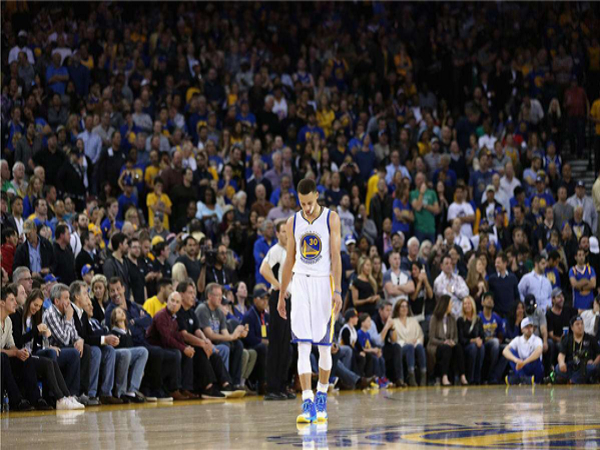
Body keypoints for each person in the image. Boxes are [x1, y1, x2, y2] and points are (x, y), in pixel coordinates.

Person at [277, 178, 343, 424]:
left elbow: (336, 256)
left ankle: (321, 395)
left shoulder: (331, 218)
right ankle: (307, 401)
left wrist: (338, 290)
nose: (306, 207)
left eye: (309, 202)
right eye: (302, 203)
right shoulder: (293, 221)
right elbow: (289, 259)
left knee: (324, 345)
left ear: (317, 195)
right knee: (302, 345)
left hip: (323, 282)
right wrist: (282, 293)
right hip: (300, 283)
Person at [10, 289, 83, 410]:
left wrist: (46, 340)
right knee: (49, 363)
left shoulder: (35, 318)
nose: (37, 308)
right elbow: (18, 341)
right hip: (19, 354)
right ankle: (59, 399)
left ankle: (68, 396)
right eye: (35, 305)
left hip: (31, 353)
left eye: (39, 306)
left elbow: (37, 344)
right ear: (29, 301)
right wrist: (36, 331)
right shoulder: (17, 316)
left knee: (52, 360)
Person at [175, 281, 240, 399]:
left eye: (194, 293)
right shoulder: (178, 311)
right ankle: (208, 388)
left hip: (194, 344)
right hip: (181, 345)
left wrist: (206, 341)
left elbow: (197, 330)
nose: (193, 296)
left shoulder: (191, 312)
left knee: (214, 354)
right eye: (190, 293)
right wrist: (202, 343)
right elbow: (184, 335)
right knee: (201, 351)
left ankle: (226, 385)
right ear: (181, 294)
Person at [259, 219, 295, 400]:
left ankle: (282, 385)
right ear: (277, 234)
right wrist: (280, 287)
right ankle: (272, 388)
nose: (286, 235)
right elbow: (263, 269)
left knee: (286, 345)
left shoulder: (293, 252)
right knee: (276, 344)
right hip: (278, 298)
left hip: (290, 300)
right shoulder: (275, 250)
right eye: (283, 231)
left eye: (288, 231)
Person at [69, 281, 122, 405]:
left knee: (109, 350)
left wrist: (106, 339)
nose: (88, 297)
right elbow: (81, 337)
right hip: (73, 345)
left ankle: (106, 393)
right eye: (85, 294)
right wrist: (104, 339)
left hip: (85, 344)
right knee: (96, 351)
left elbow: (90, 335)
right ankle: (90, 394)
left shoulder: (82, 313)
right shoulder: (71, 311)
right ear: (77, 297)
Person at [196, 283, 247, 390]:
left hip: (216, 343)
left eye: (221, 295)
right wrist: (233, 336)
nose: (220, 298)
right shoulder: (202, 309)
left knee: (238, 345)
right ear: (209, 296)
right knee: (225, 348)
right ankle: (223, 383)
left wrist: (238, 335)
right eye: (217, 295)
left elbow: (226, 334)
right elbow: (209, 335)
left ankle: (234, 382)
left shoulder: (219, 311)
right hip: (203, 344)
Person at [145, 291, 193, 401]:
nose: (174, 304)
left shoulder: (173, 318)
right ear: (167, 302)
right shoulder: (161, 316)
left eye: (177, 302)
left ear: (180, 306)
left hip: (163, 347)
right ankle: (173, 389)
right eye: (172, 300)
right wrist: (184, 348)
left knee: (187, 353)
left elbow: (176, 336)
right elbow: (167, 339)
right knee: (177, 353)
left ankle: (185, 388)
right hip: (153, 347)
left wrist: (187, 347)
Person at [0, 286, 36, 411]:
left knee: (26, 357)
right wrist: (15, 353)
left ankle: (35, 399)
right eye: (11, 300)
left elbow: (11, 345)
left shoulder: (8, 321)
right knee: (3, 358)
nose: (15, 303)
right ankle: (16, 401)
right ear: (2, 302)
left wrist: (20, 352)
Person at [426, 295, 468, 386]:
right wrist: (444, 342)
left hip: (449, 344)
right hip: (436, 345)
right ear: (445, 305)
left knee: (458, 347)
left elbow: (455, 337)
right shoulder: (434, 318)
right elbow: (431, 338)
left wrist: (452, 342)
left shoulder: (452, 318)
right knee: (446, 348)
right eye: (450, 303)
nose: (452, 305)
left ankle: (462, 376)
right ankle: (444, 377)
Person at [554, 315, 600, 384]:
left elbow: (599, 354)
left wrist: (594, 363)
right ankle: (576, 379)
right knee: (558, 367)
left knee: (592, 368)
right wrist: (561, 363)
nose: (580, 326)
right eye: (577, 324)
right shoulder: (567, 339)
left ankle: (571, 380)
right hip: (571, 365)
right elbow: (561, 354)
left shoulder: (590, 338)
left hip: (585, 365)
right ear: (572, 327)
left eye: (582, 324)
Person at [241, 286, 270, 394]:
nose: (265, 301)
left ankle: (281, 382)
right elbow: (249, 338)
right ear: (255, 300)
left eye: (266, 299)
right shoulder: (249, 316)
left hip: (264, 345)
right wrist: (263, 341)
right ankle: (263, 383)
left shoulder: (266, 316)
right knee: (263, 348)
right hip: (252, 346)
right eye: (262, 298)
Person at [392, 299, 427, 386]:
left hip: (415, 345)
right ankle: (411, 375)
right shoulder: (394, 321)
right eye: (402, 307)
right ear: (398, 308)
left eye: (406, 306)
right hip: (402, 347)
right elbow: (394, 340)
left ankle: (423, 374)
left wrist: (417, 342)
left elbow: (420, 335)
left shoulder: (413, 321)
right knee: (409, 347)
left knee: (420, 347)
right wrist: (408, 342)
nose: (404, 308)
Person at [502, 317, 544, 385]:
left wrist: (524, 362)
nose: (529, 329)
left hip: (531, 366)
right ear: (522, 329)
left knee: (536, 357)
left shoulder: (537, 339)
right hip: (521, 366)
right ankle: (524, 378)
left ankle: (519, 379)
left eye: (531, 326)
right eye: (527, 327)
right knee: (510, 352)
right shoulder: (518, 339)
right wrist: (516, 360)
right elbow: (505, 351)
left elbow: (538, 352)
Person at [479, 292, 506, 384]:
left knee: (507, 349)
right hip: (483, 343)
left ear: (494, 303)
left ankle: (495, 376)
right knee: (495, 343)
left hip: (495, 344)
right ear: (482, 302)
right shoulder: (479, 317)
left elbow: (501, 332)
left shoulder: (496, 317)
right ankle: (488, 375)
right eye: (487, 298)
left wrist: (500, 339)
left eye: (491, 299)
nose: (490, 300)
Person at [457, 296, 485, 385]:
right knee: (473, 348)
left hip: (477, 344)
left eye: (469, 303)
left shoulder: (478, 319)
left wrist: (480, 341)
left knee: (481, 348)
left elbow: (482, 335)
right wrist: (473, 340)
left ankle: (478, 378)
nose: (467, 306)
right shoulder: (460, 320)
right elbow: (461, 339)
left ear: (472, 305)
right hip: (466, 346)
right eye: (465, 304)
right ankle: (470, 378)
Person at [433, 254, 469, 319]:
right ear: (441, 266)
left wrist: (453, 290)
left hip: (461, 314)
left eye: (450, 263)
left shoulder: (458, 278)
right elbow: (446, 298)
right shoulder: (438, 281)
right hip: (446, 315)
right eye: (446, 263)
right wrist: (459, 294)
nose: (449, 265)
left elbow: (466, 293)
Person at [487, 253, 520, 318]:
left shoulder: (513, 278)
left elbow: (516, 296)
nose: (496, 265)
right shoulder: (492, 279)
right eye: (495, 263)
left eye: (498, 263)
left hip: (511, 314)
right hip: (497, 314)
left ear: (505, 263)